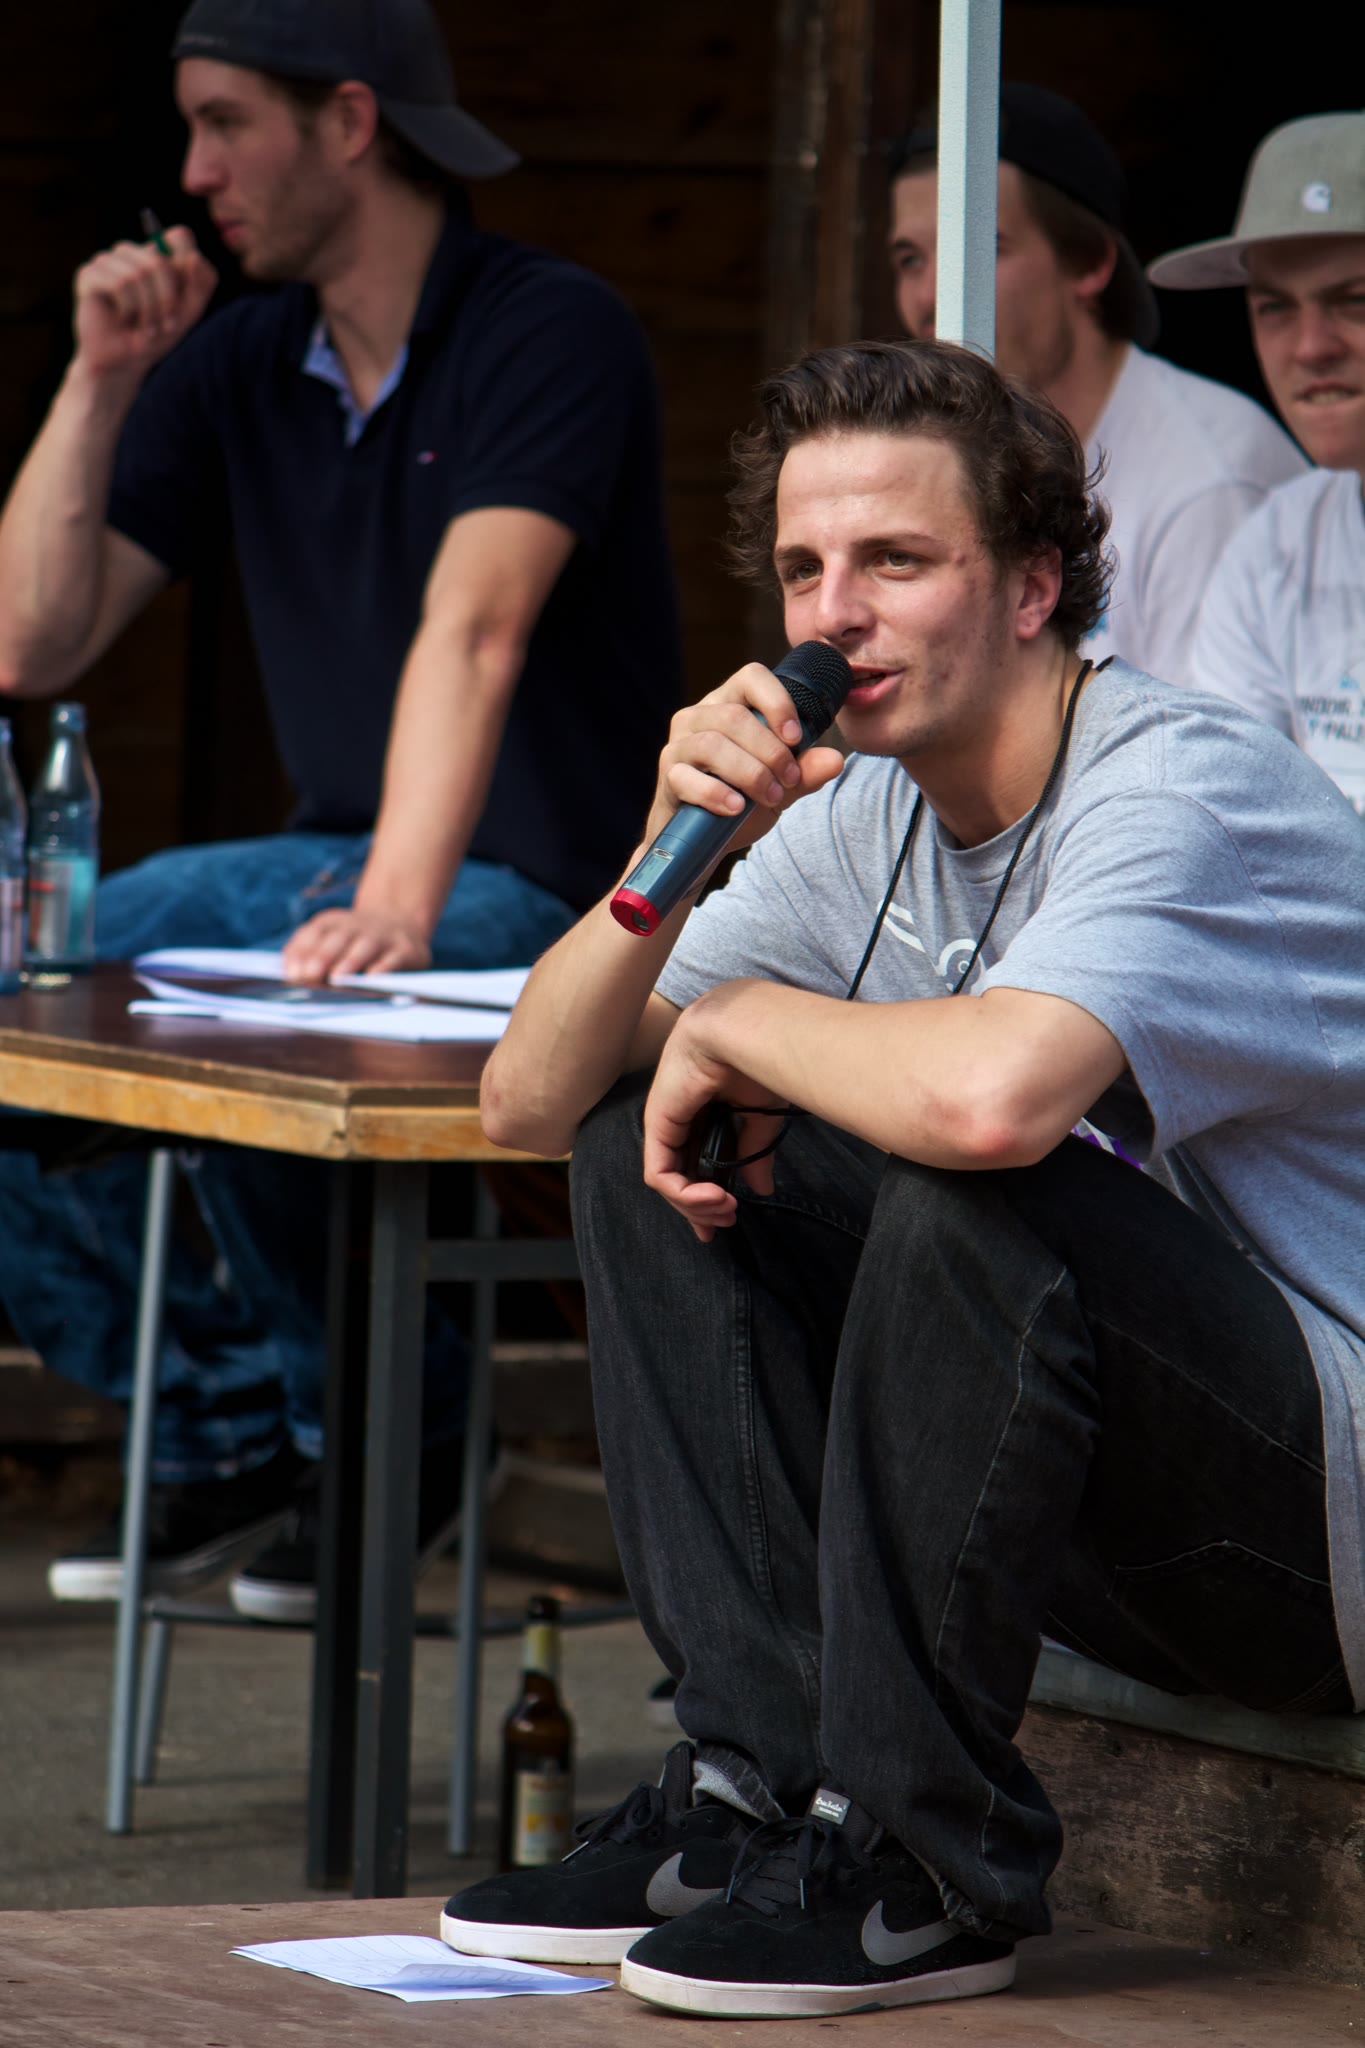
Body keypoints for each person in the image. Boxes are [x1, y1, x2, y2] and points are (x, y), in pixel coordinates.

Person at [437, 340, 1365, 2017]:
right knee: (644, 1138)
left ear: (1032, 586)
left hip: (1324, 1532)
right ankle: (755, 1789)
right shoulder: (864, 811)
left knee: (972, 1181)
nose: (833, 619)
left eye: (895, 561)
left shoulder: (1181, 782)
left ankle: (923, 1861)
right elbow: (529, 1092)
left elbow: (995, 1103)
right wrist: (672, 840)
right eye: (804, 569)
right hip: (1116, 1507)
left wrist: (737, 1019)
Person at [0, 0, 681, 1614]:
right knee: (23, 979)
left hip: (550, 894)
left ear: (352, 123)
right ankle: (232, 1421)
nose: (193, 171)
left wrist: (392, 900)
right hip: (334, 868)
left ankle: (401, 1428)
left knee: (281, 996)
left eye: (225, 123)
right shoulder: (239, 360)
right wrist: (99, 381)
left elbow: (478, 625)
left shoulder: (545, 327)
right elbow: (31, 640)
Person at [889, 83, 1305, 686]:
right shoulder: (956, 460)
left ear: (1089, 262)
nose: (932, 296)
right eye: (911, 260)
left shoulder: (1209, 482)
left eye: (977, 251)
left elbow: (1206, 744)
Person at [1151, 112, 1365, 814]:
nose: (1310, 346)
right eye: (1275, 307)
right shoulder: (1277, 538)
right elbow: (1229, 815)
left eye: (1354, 301)